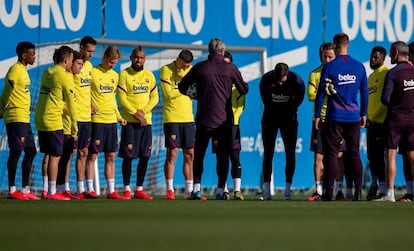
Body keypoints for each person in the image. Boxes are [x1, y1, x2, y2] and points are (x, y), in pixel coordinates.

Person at [178, 38, 248, 200]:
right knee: (222, 156)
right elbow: (243, 89)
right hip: (224, 120)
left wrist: (196, 94)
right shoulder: (230, 68)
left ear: (209, 51)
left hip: (204, 118)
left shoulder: (201, 67)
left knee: (199, 154)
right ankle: (219, 190)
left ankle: (196, 189)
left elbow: (182, 87)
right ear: (222, 51)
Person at [315, 32, 368, 201]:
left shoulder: (330, 66)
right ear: (348, 45)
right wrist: (363, 114)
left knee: (331, 153)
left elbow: (321, 93)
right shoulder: (359, 66)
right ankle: (358, 192)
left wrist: (317, 115)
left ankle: (328, 192)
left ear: (335, 46)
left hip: (334, 116)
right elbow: (364, 93)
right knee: (354, 154)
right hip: (353, 116)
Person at [34, 45, 78, 200]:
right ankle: (53, 192)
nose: (72, 63)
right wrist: (75, 128)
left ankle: (46, 189)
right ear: (66, 60)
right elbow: (72, 106)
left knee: (47, 155)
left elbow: (54, 96)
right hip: (53, 120)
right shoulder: (65, 77)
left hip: (40, 118)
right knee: (55, 157)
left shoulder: (47, 72)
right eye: (72, 60)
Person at [259, 62, 305, 201]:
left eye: (282, 80)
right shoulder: (266, 80)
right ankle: (266, 190)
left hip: (289, 119)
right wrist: (276, 109)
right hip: (270, 118)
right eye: (277, 80)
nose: (279, 83)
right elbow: (266, 100)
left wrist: (289, 109)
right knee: (268, 153)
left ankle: (287, 190)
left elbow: (299, 99)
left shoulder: (297, 81)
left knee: (290, 153)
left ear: (287, 75)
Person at [118, 46, 159, 200]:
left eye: (141, 58)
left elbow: (155, 97)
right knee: (128, 157)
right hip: (130, 122)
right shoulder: (124, 74)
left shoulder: (149, 75)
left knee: (145, 156)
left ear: (145, 59)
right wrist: (135, 114)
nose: (139, 60)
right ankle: (127, 189)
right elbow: (122, 99)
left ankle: (139, 189)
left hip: (146, 122)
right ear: (131, 58)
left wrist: (144, 111)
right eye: (136, 57)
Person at [0, 41, 39, 200]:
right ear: (24, 55)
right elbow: (5, 93)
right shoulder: (15, 70)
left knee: (31, 151)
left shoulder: (23, 71)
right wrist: (2, 109)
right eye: (32, 54)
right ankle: (12, 189)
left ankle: (25, 189)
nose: (34, 57)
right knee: (16, 151)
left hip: (24, 117)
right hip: (15, 116)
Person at [87, 45, 127, 199]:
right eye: (111, 62)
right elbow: (84, 93)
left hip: (111, 121)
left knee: (111, 156)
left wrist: (119, 117)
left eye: (115, 63)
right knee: (92, 156)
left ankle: (111, 191)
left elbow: (112, 99)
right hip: (97, 120)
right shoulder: (93, 72)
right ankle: (90, 189)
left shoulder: (114, 76)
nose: (112, 65)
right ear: (104, 57)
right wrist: (89, 106)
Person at [376, 41, 414, 202]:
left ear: (397, 53)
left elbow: (385, 99)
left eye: (391, 54)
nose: (390, 57)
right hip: (412, 119)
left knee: (390, 154)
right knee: (412, 156)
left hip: (395, 119)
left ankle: (390, 193)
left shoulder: (393, 73)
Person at [159, 49, 195, 200]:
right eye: (184, 65)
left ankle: (189, 191)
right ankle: (169, 189)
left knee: (190, 154)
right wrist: (184, 85)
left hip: (188, 117)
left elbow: (195, 92)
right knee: (172, 153)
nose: (186, 67)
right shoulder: (166, 70)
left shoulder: (191, 71)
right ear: (178, 59)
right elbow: (168, 94)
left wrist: (184, 81)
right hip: (172, 117)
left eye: (188, 66)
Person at [306, 42, 336, 201]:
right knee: (318, 157)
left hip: (337, 119)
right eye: (325, 56)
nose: (327, 59)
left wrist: (323, 92)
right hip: (319, 120)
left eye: (330, 56)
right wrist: (326, 91)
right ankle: (318, 190)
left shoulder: (339, 72)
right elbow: (311, 95)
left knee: (337, 156)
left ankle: (337, 190)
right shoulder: (315, 73)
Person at [56, 51, 85, 199]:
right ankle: (53, 189)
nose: (81, 67)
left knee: (68, 155)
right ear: (70, 63)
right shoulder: (64, 78)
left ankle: (63, 187)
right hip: (60, 124)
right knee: (55, 157)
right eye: (78, 64)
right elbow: (57, 101)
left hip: (71, 123)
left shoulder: (76, 79)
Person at [75, 35, 97, 199]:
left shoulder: (89, 67)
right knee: (67, 153)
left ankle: (81, 188)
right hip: (73, 117)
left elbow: (88, 90)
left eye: (93, 51)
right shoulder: (72, 64)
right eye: (88, 50)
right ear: (81, 47)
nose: (90, 54)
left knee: (83, 152)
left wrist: (91, 105)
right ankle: (59, 187)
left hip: (86, 117)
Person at [365, 46, 389, 200]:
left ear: (383, 58)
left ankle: (384, 188)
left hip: (382, 122)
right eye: (372, 56)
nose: (373, 59)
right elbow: (369, 101)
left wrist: (375, 116)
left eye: (376, 57)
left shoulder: (386, 73)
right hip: (370, 123)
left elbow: (386, 101)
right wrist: (367, 117)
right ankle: (374, 184)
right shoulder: (371, 76)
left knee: (380, 156)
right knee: (372, 155)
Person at [222, 51, 245, 200]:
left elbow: (240, 107)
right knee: (221, 158)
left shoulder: (238, 87)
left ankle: (237, 190)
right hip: (219, 125)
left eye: (227, 63)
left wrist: (232, 120)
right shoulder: (216, 84)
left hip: (233, 126)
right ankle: (223, 190)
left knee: (235, 157)